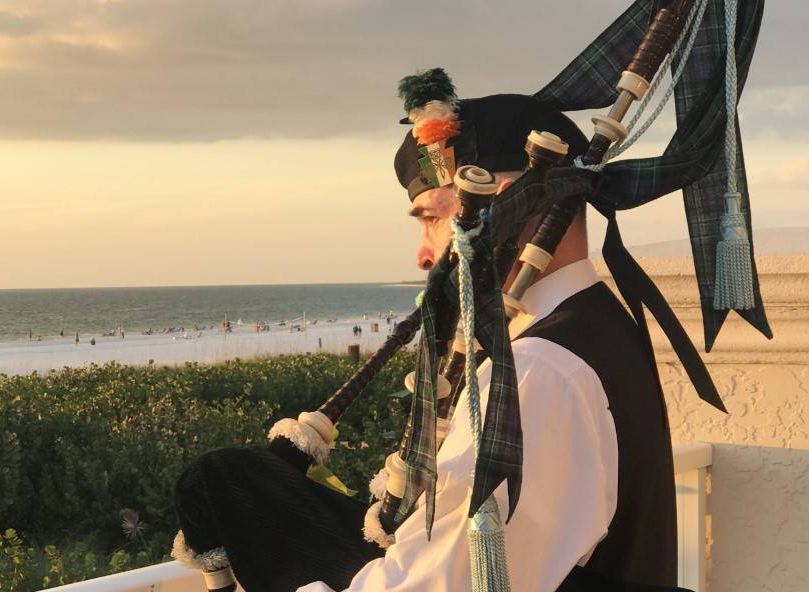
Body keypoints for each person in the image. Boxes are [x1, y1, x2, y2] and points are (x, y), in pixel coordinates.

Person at [172, 78, 685, 591]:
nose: (422, 255)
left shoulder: (538, 371)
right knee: (225, 479)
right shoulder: (600, 323)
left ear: (508, 207)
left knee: (226, 486)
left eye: (433, 218)